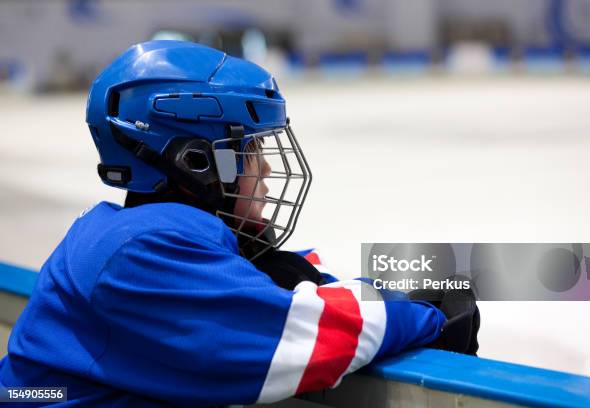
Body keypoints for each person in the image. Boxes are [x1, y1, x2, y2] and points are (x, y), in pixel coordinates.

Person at [0, 41, 477, 407]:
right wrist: (424, 309)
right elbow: (303, 342)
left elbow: (266, 288)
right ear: (197, 162)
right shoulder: (143, 253)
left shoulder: (136, 233)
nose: (268, 170)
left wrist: (307, 278)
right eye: (252, 150)